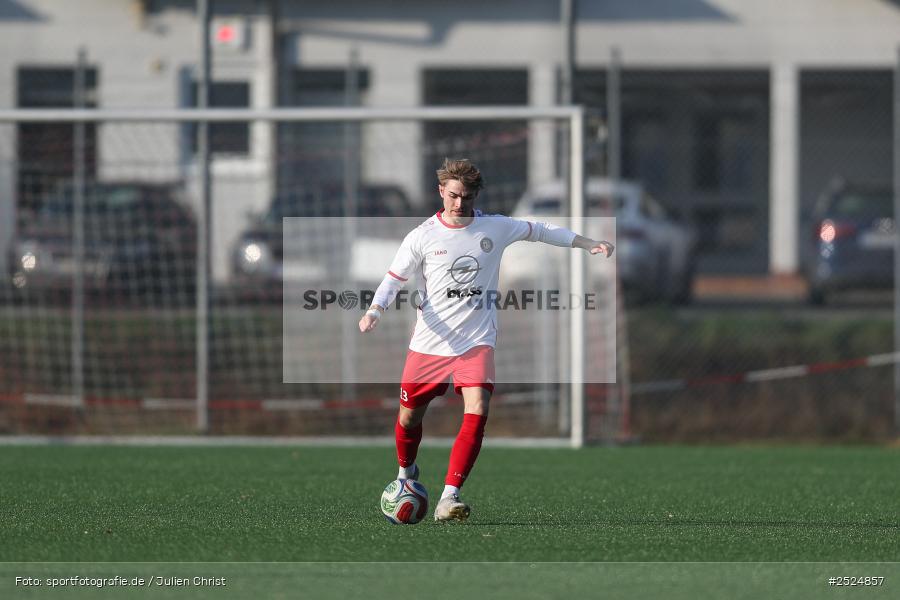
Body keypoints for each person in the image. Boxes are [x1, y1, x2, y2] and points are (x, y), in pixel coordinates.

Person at [358, 158, 613, 522]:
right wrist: (374, 311)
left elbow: (540, 230)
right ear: (441, 192)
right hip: (430, 342)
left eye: (466, 196)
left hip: (476, 342)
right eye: (453, 195)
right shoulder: (421, 236)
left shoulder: (495, 227)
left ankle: (450, 496)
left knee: (477, 408)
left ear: (475, 195)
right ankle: (405, 474)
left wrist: (586, 243)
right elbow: (394, 279)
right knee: (409, 417)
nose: (459, 204)